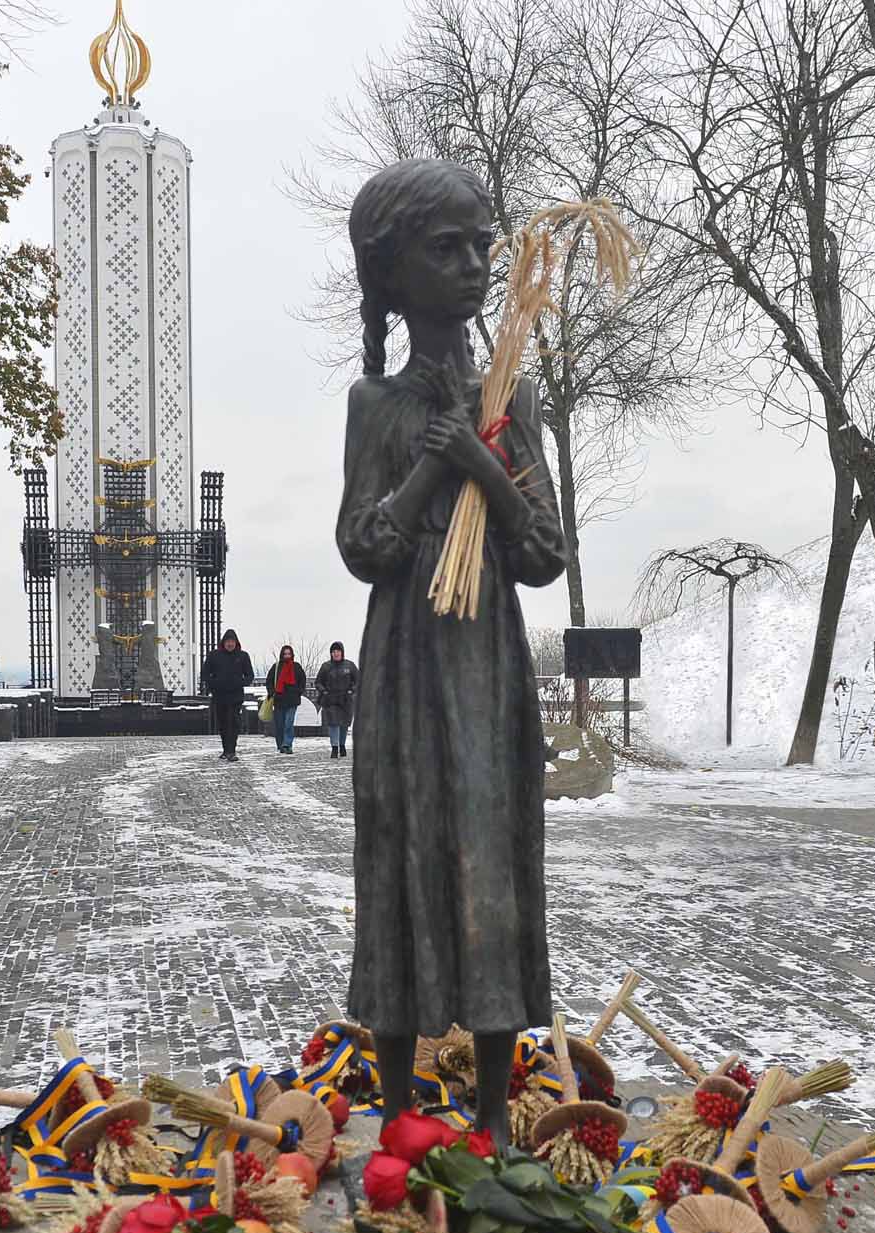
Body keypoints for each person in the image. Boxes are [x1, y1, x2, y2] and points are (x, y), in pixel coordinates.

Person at [336, 158, 570, 1142]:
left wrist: (485, 459)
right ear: (392, 271)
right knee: (396, 850)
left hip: (484, 670)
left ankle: (488, 1111)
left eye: (483, 243)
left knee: (489, 857)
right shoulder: (373, 404)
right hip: (401, 667)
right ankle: (394, 1109)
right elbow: (363, 545)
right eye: (448, 247)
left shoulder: (510, 400)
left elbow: (544, 553)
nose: (475, 263)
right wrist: (434, 464)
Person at [200, 629, 252, 761]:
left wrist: (239, 682)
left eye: (232, 641)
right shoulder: (214, 655)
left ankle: (232, 751)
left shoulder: (243, 656)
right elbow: (205, 674)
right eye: (228, 641)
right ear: (223, 642)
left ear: (236, 643)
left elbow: (250, 676)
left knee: (234, 722)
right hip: (220, 695)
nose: (230, 644)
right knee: (223, 723)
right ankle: (225, 750)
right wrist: (214, 684)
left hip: (236, 696)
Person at [316, 642, 360, 757]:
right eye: (333, 651)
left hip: (346, 699)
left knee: (344, 724)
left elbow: (358, 680)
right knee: (333, 723)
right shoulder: (326, 666)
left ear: (342, 652)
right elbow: (318, 682)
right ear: (331, 653)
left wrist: (352, 690)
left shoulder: (349, 666)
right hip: (330, 699)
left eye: (338, 651)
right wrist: (324, 691)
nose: (336, 653)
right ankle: (334, 748)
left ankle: (342, 745)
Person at [266, 645, 307, 754]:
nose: (287, 656)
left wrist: (299, 691)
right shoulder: (276, 667)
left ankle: (287, 744)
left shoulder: (296, 667)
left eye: (289, 654)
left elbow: (303, 680)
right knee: (279, 724)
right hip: (279, 699)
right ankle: (280, 745)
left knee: (289, 723)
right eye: (285, 654)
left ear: (292, 655)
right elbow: (269, 680)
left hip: (292, 700)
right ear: (282, 655)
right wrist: (271, 692)